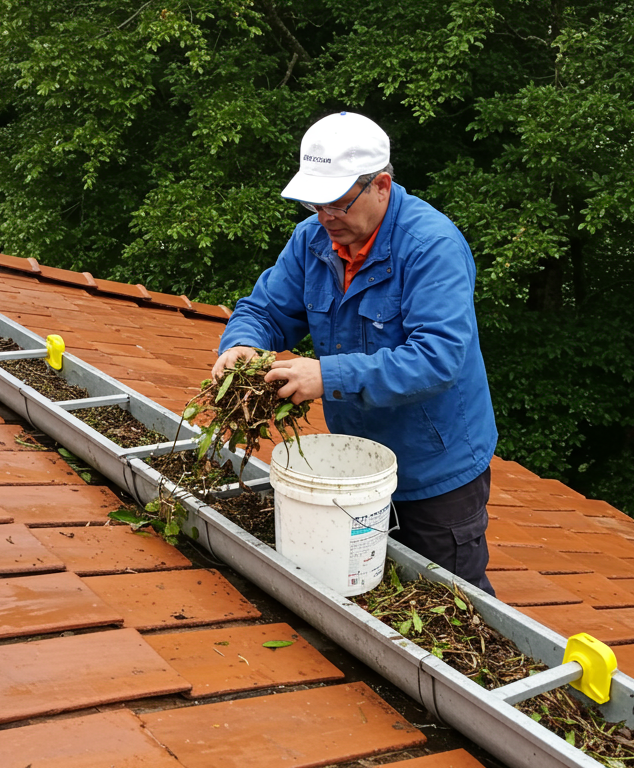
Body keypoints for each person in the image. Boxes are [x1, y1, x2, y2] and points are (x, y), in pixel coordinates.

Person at [212, 111, 499, 594]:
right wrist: (242, 343)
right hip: (356, 467)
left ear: (381, 186)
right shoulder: (312, 241)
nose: (325, 217)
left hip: (434, 473)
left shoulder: (432, 247)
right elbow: (263, 308)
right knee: (362, 587)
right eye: (314, 203)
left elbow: (438, 358)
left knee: (448, 602)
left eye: (338, 203)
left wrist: (327, 376)